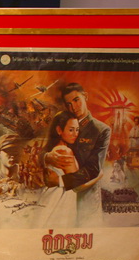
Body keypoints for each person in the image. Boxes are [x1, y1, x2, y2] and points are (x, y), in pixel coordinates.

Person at [45, 82, 109, 226]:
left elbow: (93, 169)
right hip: (62, 200)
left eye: (76, 100)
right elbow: (46, 147)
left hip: (86, 199)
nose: (73, 107)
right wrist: (46, 157)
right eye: (68, 104)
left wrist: (60, 181)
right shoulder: (63, 121)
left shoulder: (101, 130)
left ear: (85, 96)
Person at [34, 111, 81, 228]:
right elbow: (77, 184)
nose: (75, 134)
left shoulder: (53, 149)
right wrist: (99, 176)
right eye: (71, 130)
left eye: (77, 129)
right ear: (59, 130)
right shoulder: (64, 151)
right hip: (60, 201)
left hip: (52, 198)